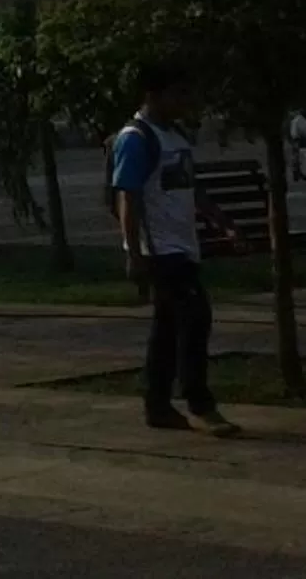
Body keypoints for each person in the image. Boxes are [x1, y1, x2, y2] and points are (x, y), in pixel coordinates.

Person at [111, 69, 239, 437]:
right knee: (195, 322)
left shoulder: (174, 136)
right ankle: (201, 404)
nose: (184, 103)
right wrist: (134, 253)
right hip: (161, 252)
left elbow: (190, 187)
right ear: (153, 94)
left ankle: (157, 405)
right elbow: (128, 197)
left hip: (184, 247)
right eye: (178, 94)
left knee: (167, 329)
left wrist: (221, 222)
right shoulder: (136, 139)